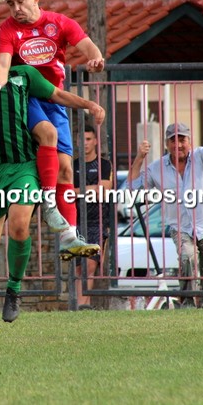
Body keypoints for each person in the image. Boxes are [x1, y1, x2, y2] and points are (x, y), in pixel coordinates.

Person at [0, 26, 105, 345]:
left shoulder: (23, 74)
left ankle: (13, 290)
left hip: (23, 167)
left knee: (19, 227)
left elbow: (57, 95)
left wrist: (88, 105)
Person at [0, 0, 106, 244]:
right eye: (10, 4)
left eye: (20, 1)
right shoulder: (7, 30)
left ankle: (70, 236)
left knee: (65, 168)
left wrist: (96, 59)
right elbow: (3, 65)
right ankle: (49, 204)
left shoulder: (59, 22)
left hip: (55, 99)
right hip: (24, 97)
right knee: (47, 133)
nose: (16, 8)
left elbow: (88, 47)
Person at [126, 111, 203, 308]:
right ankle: (188, 303)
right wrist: (140, 157)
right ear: (167, 145)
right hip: (181, 227)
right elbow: (131, 187)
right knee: (187, 259)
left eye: (182, 140)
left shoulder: (201, 157)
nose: (178, 145)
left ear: (189, 141)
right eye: (173, 141)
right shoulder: (157, 168)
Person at [73, 124, 113, 310]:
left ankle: (83, 305)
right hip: (75, 220)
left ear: (95, 141)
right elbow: (66, 192)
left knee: (90, 265)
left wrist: (80, 191)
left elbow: (104, 191)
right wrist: (91, 189)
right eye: (82, 139)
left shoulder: (104, 165)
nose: (85, 143)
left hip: (97, 221)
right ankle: (80, 306)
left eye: (89, 139)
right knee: (79, 267)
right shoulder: (73, 166)